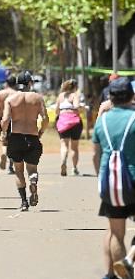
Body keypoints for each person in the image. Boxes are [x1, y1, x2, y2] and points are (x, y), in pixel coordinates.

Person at [91, 78, 135, 279]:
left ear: (110, 97)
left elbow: (95, 155)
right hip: (133, 179)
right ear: (131, 96)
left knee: (117, 233)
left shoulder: (101, 121)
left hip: (110, 182)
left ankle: (118, 274)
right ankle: (128, 260)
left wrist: (100, 177)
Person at [1, 71, 49, 212]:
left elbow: (5, 120)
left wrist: (4, 134)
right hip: (32, 136)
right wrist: (40, 131)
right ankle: (33, 180)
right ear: (30, 83)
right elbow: (45, 119)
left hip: (16, 138)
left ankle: (23, 202)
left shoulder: (10, 99)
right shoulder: (37, 98)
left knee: (19, 171)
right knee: (32, 169)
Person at [0, 75, 17, 174]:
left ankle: (4, 154)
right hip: (15, 120)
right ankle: (10, 167)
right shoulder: (17, 94)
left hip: (3, 119)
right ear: (15, 83)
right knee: (13, 144)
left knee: (5, 142)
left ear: (6, 83)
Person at [55, 79, 83, 176]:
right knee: (74, 147)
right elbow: (76, 106)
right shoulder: (74, 95)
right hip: (74, 122)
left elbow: (56, 111)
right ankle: (74, 168)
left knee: (64, 145)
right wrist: (82, 108)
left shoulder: (60, 96)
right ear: (75, 87)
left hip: (63, 121)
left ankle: (63, 161)